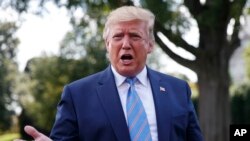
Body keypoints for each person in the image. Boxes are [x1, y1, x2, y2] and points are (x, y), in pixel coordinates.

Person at [15, 6, 203, 141]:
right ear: (107, 44)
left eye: (135, 36)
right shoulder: (77, 95)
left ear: (150, 45)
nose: (126, 44)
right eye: (118, 36)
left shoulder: (178, 90)